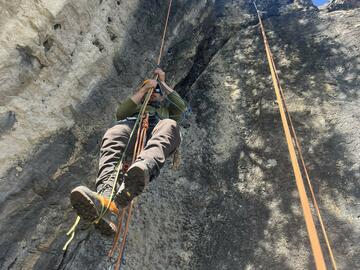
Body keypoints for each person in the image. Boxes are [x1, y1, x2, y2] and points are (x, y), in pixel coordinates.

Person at [70, 68, 187, 235]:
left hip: (156, 133)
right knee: (114, 133)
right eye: (151, 91)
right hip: (133, 128)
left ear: (162, 96)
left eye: (157, 92)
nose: (154, 93)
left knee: (170, 125)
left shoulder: (167, 112)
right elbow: (121, 112)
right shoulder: (136, 109)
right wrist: (144, 90)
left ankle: (143, 169)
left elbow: (180, 106)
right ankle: (105, 202)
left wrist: (162, 83)